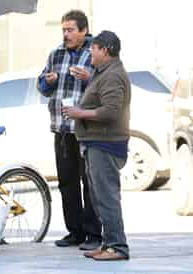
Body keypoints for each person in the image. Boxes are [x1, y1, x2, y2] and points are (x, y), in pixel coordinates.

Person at [62, 30, 131, 261]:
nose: (90, 51)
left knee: (107, 196)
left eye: (94, 48)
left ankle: (117, 247)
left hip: (106, 144)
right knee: (99, 197)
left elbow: (111, 111)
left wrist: (80, 112)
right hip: (96, 143)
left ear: (106, 50)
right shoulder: (103, 73)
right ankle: (107, 243)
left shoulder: (113, 75)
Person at [36, 10, 102, 250]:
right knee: (67, 182)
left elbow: (105, 86)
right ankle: (75, 232)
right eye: (63, 30)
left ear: (84, 30)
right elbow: (42, 87)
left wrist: (88, 78)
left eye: (70, 30)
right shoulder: (56, 54)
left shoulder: (95, 52)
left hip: (86, 129)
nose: (66, 34)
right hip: (62, 128)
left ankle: (94, 234)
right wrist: (47, 81)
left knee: (90, 182)